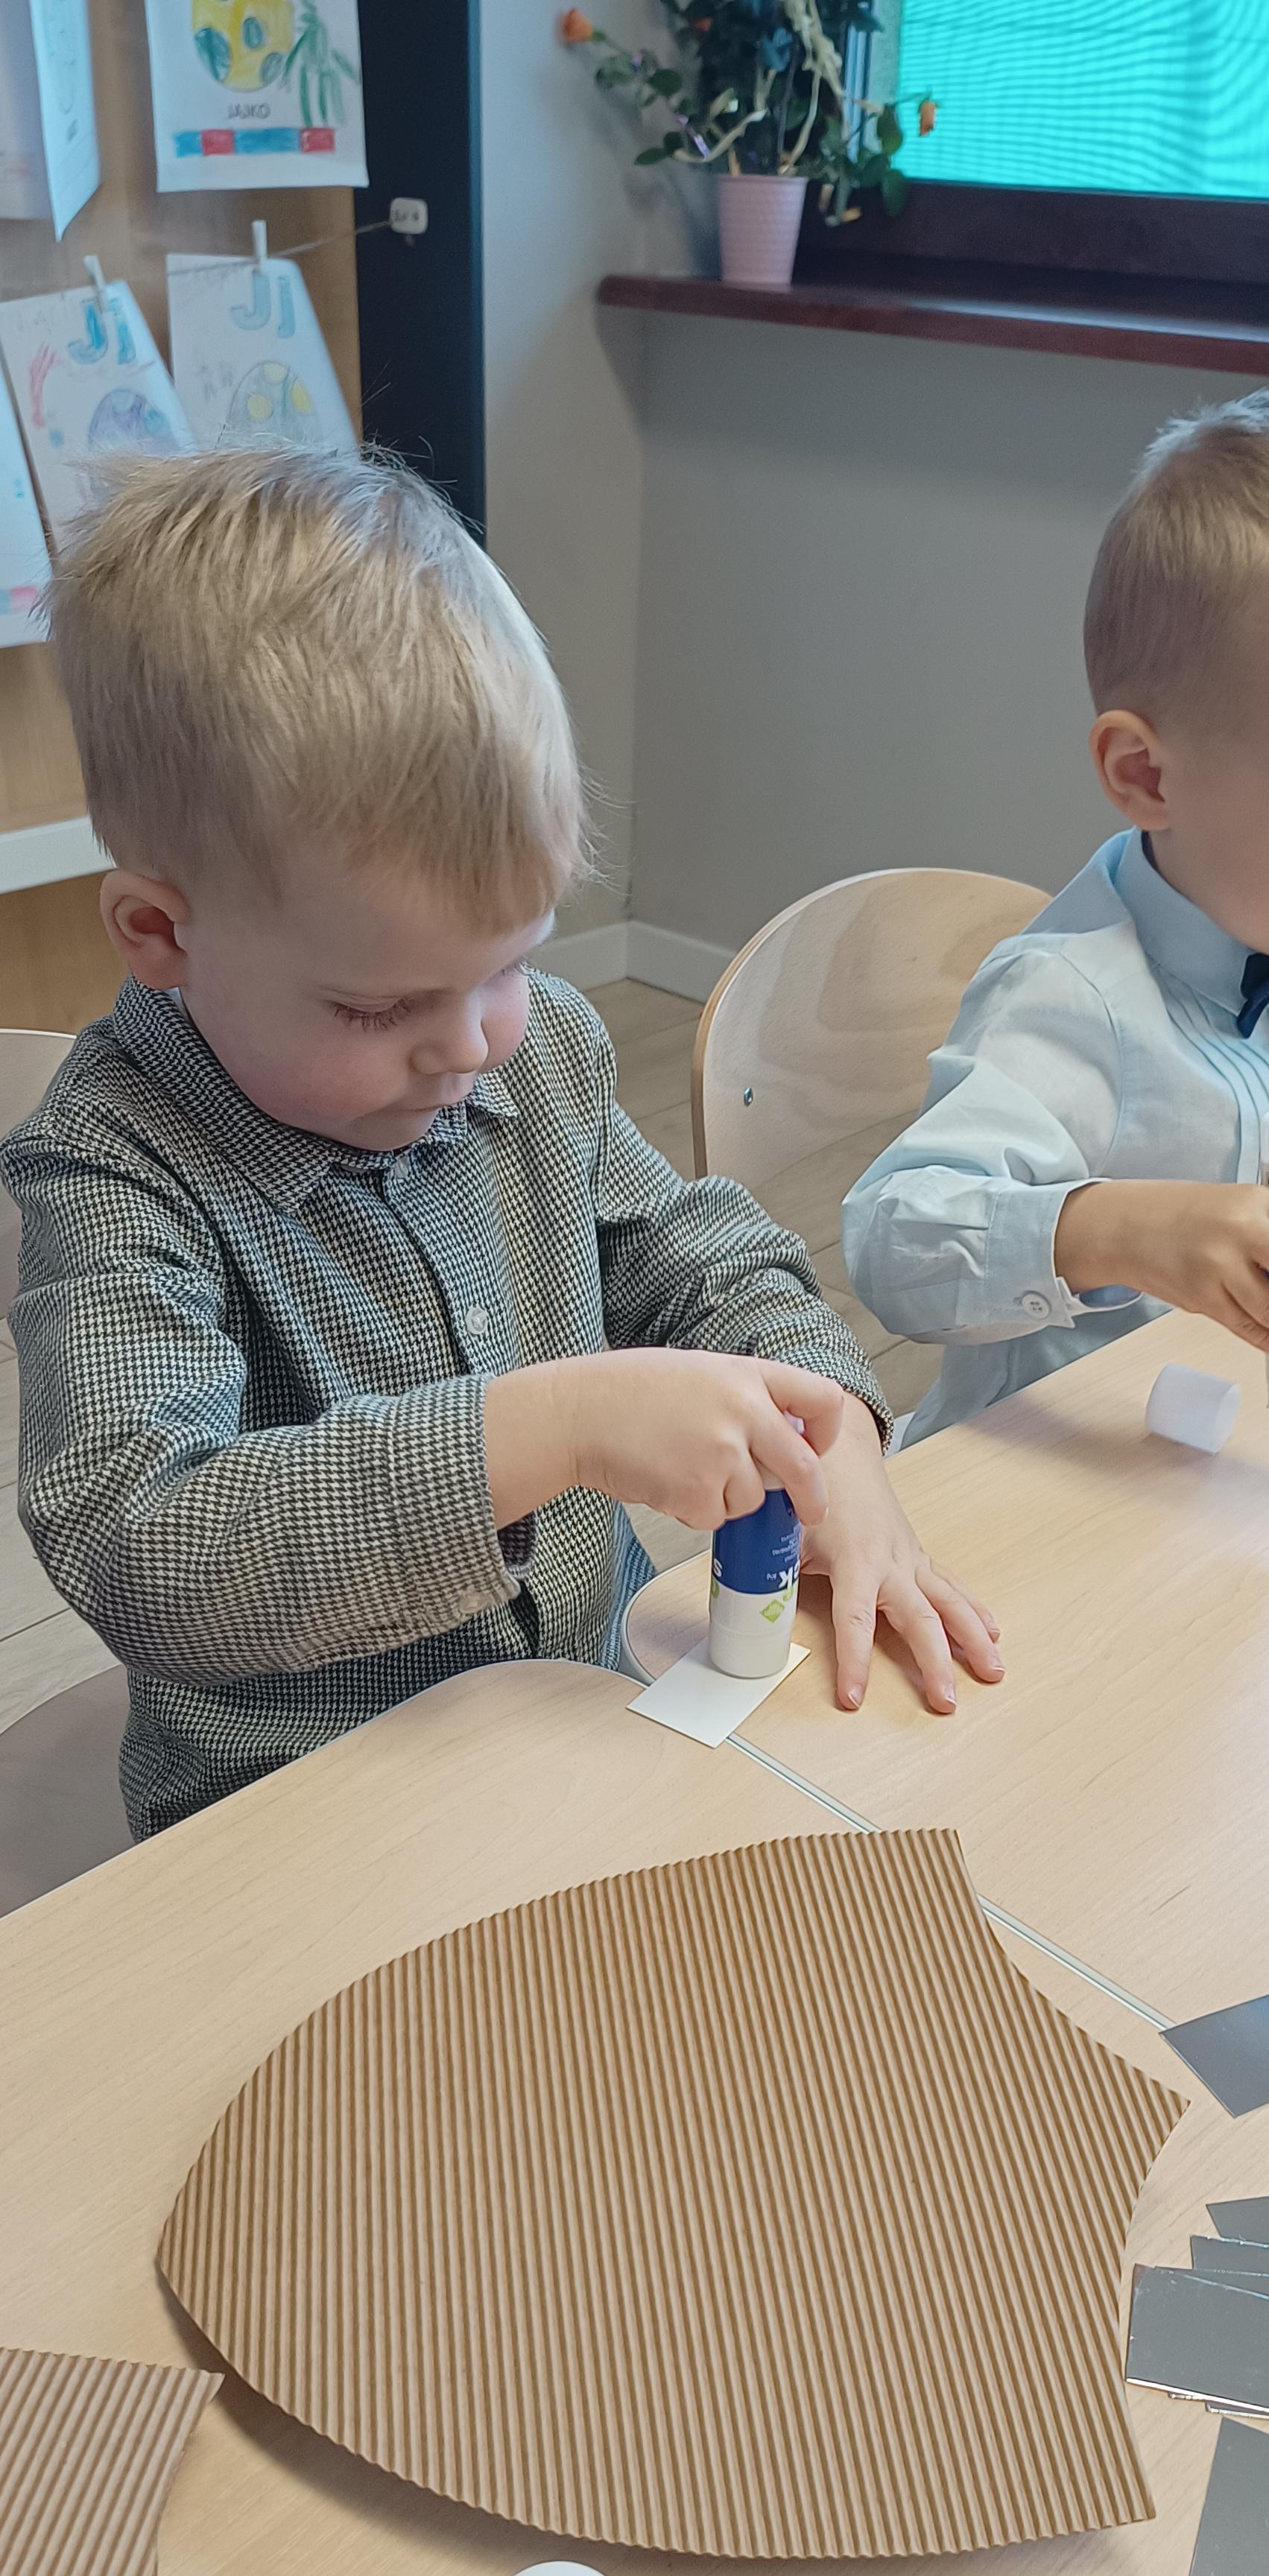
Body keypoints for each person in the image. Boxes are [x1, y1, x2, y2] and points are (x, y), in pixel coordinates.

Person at [2, 448, 1000, 1838]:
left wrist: (836, 1442)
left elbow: (700, 1261)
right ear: (161, 932)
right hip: (298, 1818)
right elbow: (146, 1551)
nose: (471, 1044)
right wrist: (548, 1430)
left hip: (585, 1719)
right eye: (380, 1006)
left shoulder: (543, 1051)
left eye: (511, 963)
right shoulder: (116, 1166)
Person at [844, 387, 1269, 1445]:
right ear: (1146, 775)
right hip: (1052, 1500)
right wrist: (1110, 1228)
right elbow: (891, 1243)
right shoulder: (1069, 1003)